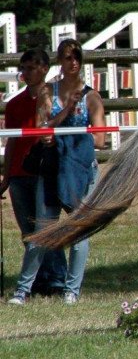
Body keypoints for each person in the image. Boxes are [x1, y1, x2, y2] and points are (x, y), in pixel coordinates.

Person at [8, 40, 106, 305]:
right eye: (66, 57)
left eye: (76, 57)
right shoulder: (48, 93)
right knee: (43, 228)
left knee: (78, 231)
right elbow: (42, 129)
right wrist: (65, 114)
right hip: (51, 167)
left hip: (80, 170)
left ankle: (71, 290)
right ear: (60, 62)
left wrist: (69, 133)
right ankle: (22, 289)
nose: (72, 62)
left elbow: (100, 140)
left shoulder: (92, 97)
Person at [1, 49, 67, 296]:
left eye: (31, 67)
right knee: (28, 231)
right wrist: (6, 176)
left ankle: (57, 278)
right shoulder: (15, 104)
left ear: (44, 69)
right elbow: (11, 143)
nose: (26, 73)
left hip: (44, 171)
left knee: (47, 227)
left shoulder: (54, 100)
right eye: (24, 68)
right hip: (20, 173)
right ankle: (39, 278)